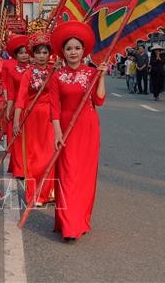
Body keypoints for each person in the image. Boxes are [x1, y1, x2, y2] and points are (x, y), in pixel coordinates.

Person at [48, 21, 107, 242]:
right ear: (63, 52)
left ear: (83, 51)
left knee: (84, 176)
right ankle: (68, 224)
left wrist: (100, 77)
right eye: (69, 48)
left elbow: (99, 101)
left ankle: (79, 219)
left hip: (88, 128)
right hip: (65, 129)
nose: (73, 52)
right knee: (67, 175)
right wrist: (57, 132)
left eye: (77, 48)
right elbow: (54, 107)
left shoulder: (91, 73)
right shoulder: (56, 76)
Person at [13, 32, 55, 205]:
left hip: (52, 117)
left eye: (45, 52)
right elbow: (21, 99)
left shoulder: (55, 71)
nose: (42, 56)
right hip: (32, 117)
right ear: (33, 54)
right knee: (33, 156)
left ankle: (49, 192)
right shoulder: (28, 74)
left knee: (50, 155)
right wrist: (16, 121)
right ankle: (34, 194)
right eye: (38, 52)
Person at [2, 34, 30, 178]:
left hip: (32, 109)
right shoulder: (13, 71)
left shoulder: (35, 70)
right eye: (21, 53)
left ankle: (30, 166)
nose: (24, 55)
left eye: (26, 52)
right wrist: (8, 109)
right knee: (17, 139)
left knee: (31, 140)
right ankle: (19, 169)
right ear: (16, 55)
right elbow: (12, 93)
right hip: (18, 109)